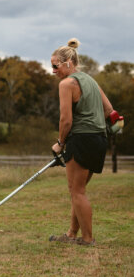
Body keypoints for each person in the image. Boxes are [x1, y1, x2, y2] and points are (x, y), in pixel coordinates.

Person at [48, 38, 115, 246]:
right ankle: (71, 234)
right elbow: (109, 110)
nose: (52, 70)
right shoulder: (91, 81)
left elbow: (66, 120)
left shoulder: (67, 84)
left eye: (55, 65)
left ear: (68, 62)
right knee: (78, 189)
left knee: (77, 191)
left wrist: (60, 142)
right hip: (99, 139)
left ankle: (87, 239)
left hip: (82, 139)